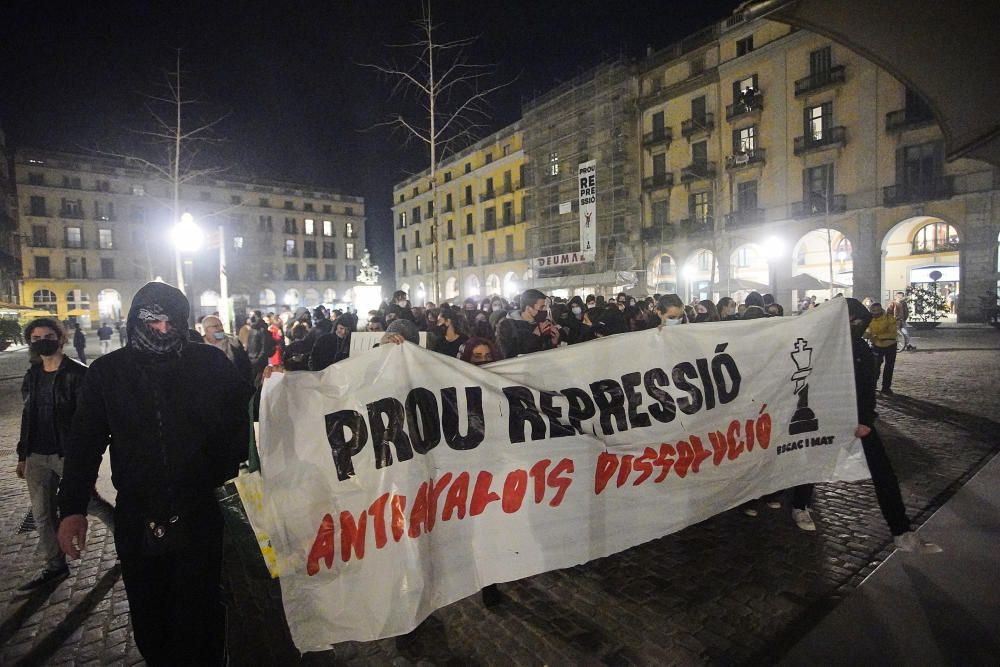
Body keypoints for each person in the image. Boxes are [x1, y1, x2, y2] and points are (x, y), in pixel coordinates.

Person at [57, 281, 254, 666]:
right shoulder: (106, 373)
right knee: (151, 616)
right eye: (153, 322)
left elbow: (251, 414)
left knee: (203, 613)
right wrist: (72, 509)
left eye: (171, 322)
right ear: (136, 322)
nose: (163, 331)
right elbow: (84, 445)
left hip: (203, 511)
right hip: (138, 515)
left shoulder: (210, 364)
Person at [788, 298, 941, 554]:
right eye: (851, 320)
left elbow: (867, 390)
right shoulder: (820, 347)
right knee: (812, 464)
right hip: (824, 421)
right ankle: (800, 506)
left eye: (857, 321)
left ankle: (901, 532)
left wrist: (864, 421)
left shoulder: (860, 350)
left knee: (884, 474)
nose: (854, 325)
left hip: (857, 422)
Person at [15, 318, 115, 591]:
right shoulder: (32, 375)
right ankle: (55, 566)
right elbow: (28, 416)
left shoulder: (79, 374)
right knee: (42, 514)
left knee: (89, 504)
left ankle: (124, 537)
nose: (41, 341)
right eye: (35, 338)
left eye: (47, 335)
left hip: (67, 454)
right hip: (37, 455)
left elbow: (89, 422)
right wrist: (23, 455)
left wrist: (82, 457)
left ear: (61, 339)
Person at [496, 289, 559, 359]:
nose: (545, 310)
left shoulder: (542, 323)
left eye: (545, 307)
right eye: (541, 307)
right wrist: (534, 336)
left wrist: (553, 342)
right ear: (528, 308)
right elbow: (509, 354)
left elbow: (546, 353)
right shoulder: (507, 326)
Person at [201, 315, 253, 384]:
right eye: (216, 326)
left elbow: (246, 367)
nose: (221, 328)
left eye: (221, 325)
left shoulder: (234, 343)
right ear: (206, 329)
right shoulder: (200, 346)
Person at [866, 302, 898, 396]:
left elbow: (893, 334)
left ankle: (886, 387)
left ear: (881, 309)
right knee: (875, 366)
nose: (875, 312)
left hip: (890, 345)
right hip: (876, 345)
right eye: (873, 311)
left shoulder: (889, 318)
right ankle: (873, 385)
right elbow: (868, 330)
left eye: (877, 310)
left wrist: (877, 336)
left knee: (889, 367)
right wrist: (867, 334)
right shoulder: (869, 319)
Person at [245, 311, 275, 386]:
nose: (250, 317)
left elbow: (265, 347)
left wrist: (258, 359)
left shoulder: (262, 329)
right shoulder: (253, 328)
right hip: (252, 360)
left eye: (252, 315)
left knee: (259, 383)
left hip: (259, 362)